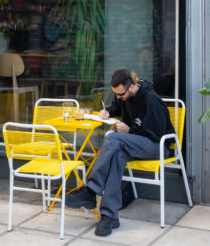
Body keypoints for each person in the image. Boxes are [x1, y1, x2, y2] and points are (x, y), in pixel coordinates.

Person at [64, 68, 175, 237]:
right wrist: (108, 111)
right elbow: (116, 107)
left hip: (156, 146)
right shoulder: (124, 96)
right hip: (135, 144)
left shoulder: (151, 100)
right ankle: (109, 217)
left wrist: (129, 130)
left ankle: (91, 190)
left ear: (131, 87)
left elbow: (156, 135)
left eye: (120, 94)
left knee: (112, 138)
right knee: (116, 156)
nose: (118, 97)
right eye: (115, 94)